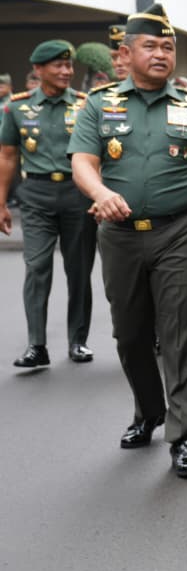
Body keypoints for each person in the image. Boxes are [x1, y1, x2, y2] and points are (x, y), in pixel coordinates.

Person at [69, 3, 187, 480]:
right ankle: (148, 410)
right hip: (120, 237)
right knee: (130, 334)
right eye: (151, 45)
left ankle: (183, 437)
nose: (162, 53)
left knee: (181, 333)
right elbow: (83, 161)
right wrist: (100, 193)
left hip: (178, 233)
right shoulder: (100, 104)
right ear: (126, 52)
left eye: (168, 46)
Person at [0, 40, 96, 367]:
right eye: (58, 65)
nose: (66, 71)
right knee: (37, 267)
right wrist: (1, 203)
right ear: (39, 70)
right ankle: (36, 345)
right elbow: (8, 156)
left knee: (79, 270)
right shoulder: (16, 107)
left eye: (69, 66)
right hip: (36, 196)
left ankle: (77, 341)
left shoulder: (87, 105)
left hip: (78, 194)